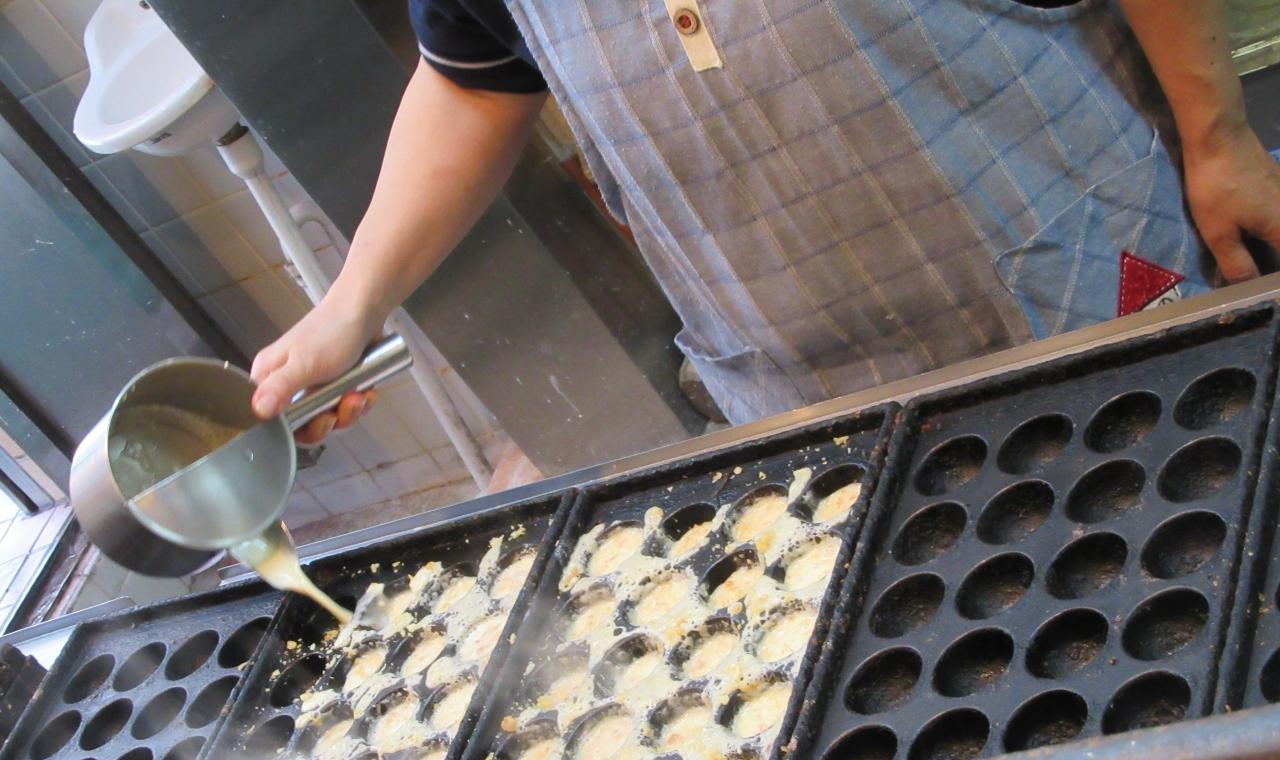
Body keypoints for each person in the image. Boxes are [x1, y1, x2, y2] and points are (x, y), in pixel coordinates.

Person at [250, 0, 1280, 441]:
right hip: (805, 392)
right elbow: (474, 79)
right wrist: (351, 303)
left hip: (1075, 272)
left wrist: (1216, 136)